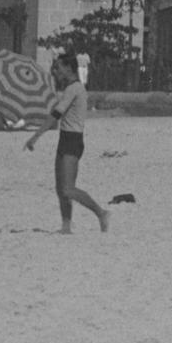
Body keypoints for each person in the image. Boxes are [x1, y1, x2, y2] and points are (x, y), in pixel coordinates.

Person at [44, 42, 107, 234]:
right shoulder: (69, 89)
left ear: (69, 68)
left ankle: (101, 212)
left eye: (59, 68)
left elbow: (57, 115)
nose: (56, 72)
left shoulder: (75, 88)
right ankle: (66, 225)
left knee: (68, 189)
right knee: (60, 188)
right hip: (65, 138)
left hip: (73, 140)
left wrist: (35, 136)